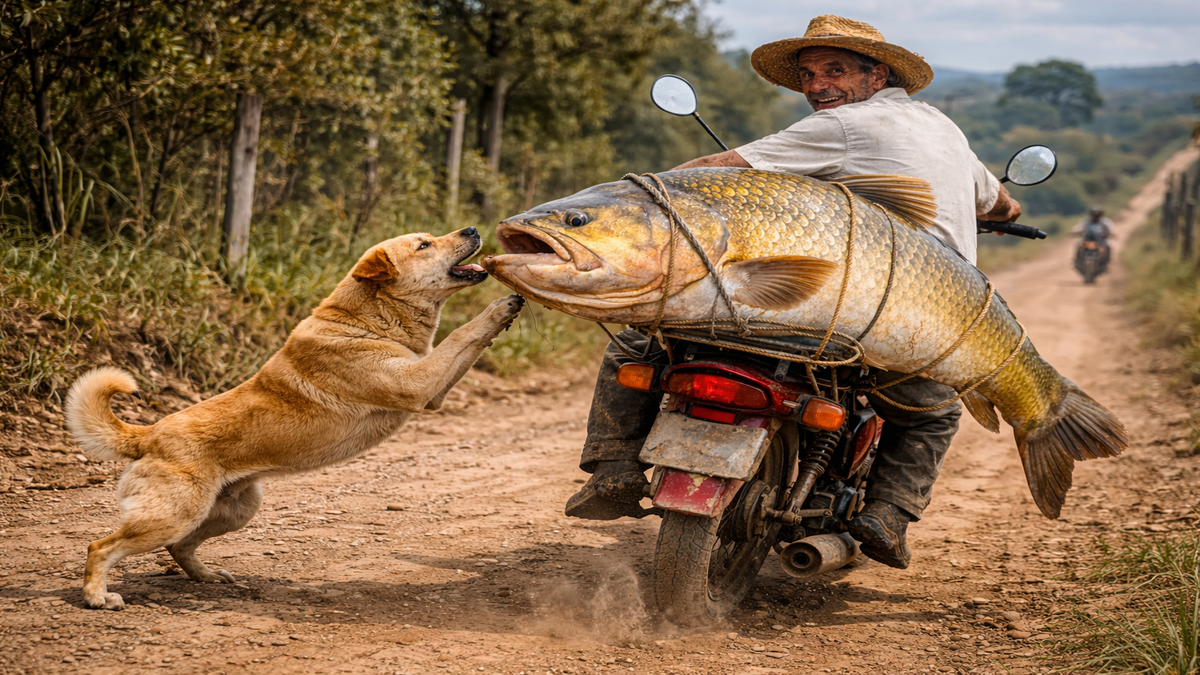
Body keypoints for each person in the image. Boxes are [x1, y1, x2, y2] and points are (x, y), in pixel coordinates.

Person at [564, 15, 1022, 570]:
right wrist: (1001, 215)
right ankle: (888, 515)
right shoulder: (944, 130)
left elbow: (716, 171)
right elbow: (1001, 204)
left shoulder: (843, 127)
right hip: (894, 316)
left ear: (877, 75)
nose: (817, 85)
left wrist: (631, 199)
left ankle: (614, 468)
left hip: (847, 303)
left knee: (636, 348)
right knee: (928, 407)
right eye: (807, 73)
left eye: (834, 70)